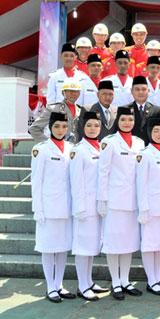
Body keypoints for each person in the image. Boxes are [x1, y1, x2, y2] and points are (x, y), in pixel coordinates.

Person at [97, 106, 144, 300]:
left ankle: (125, 280)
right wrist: (102, 199)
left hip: (133, 201)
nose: (127, 123)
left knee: (128, 243)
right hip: (114, 201)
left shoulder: (139, 143)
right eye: (123, 120)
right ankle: (115, 281)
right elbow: (103, 172)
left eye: (130, 120)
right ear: (118, 121)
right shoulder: (109, 142)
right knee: (114, 243)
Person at [31, 112, 75, 303]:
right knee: (48, 248)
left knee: (62, 248)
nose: (60, 130)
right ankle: (50, 286)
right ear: (50, 128)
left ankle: (59, 284)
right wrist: (37, 209)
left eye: (64, 126)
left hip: (66, 207)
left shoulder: (71, 148)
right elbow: (36, 181)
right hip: (48, 207)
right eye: (56, 126)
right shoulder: (41, 149)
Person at [69, 111, 108, 301]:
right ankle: (82, 285)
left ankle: (89, 281)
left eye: (96, 125)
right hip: (84, 205)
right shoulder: (79, 150)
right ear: (82, 127)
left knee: (92, 245)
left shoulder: (101, 148)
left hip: (98, 205)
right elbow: (76, 181)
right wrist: (79, 207)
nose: (93, 129)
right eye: (89, 125)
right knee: (83, 247)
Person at [136, 117, 160, 296]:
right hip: (151, 208)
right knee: (149, 245)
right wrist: (143, 208)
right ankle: (151, 281)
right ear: (149, 133)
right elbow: (141, 183)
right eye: (156, 131)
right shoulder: (145, 154)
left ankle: (158, 278)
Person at [124, 76, 160, 145]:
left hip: (150, 148)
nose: (140, 92)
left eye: (144, 89)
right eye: (137, 89)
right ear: (131, 91)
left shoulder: (157, 110)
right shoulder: (124, 110)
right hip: (131, 147)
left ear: (148, 91)